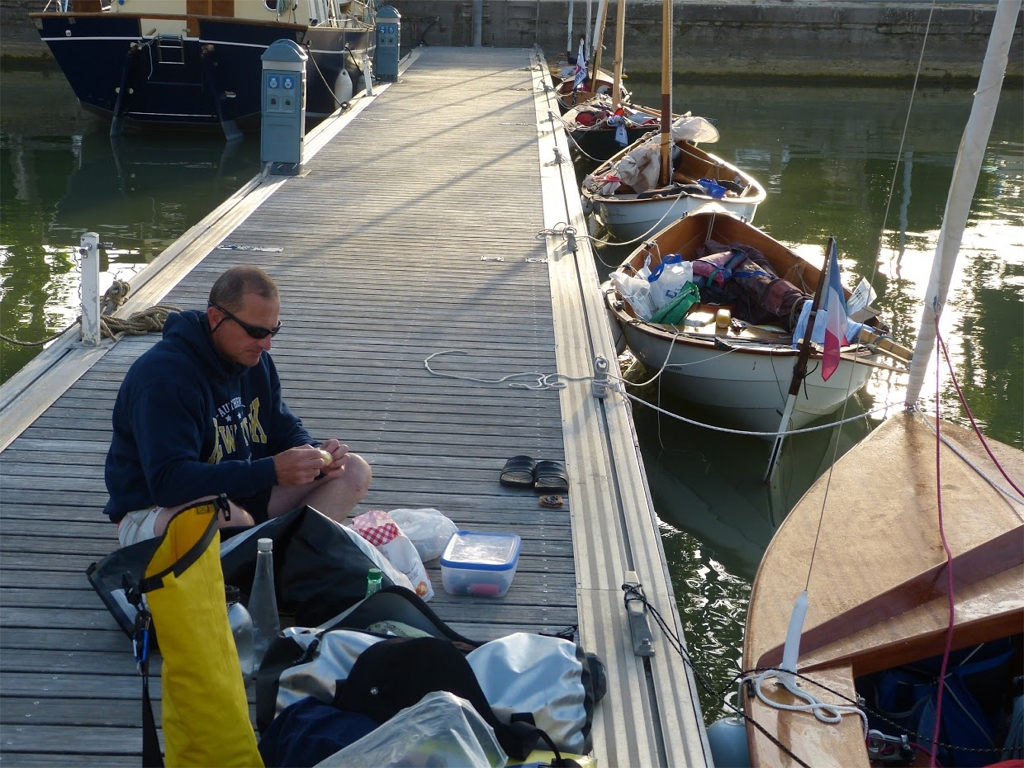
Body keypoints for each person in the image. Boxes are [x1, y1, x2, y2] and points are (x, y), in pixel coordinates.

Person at [104, 265, 371, 547]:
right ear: (216, 318)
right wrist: (270, 471)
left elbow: (282, 428)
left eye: (272, 331)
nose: (266, 344)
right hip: (155, 511)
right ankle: (273, 558)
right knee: (225, 516)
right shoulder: (163, 377)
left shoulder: (253, 359)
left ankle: (285, 560)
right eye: (256, 331)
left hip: (241, 495)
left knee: (353, 470)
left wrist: (315, 455)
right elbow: (169, 483)